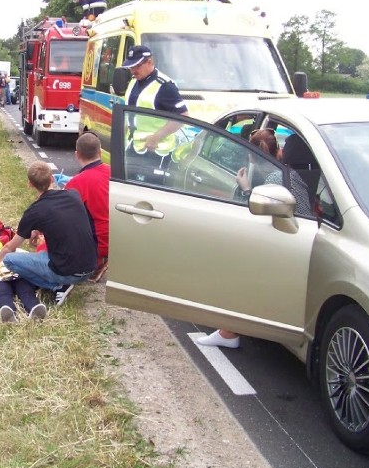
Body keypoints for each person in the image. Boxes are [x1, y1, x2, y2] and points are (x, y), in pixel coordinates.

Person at [198, 129, 311, 349]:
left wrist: (246, 188)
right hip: (298, 236)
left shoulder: (274, 178)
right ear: (278, 150)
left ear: (250, 155)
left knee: (236, 266)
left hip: (287, 240)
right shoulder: (287, 173)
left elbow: (260, 213)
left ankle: (228, 332)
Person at [0, 160, 97, 318]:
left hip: (67, 271)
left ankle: (57, 286)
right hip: (90, 267)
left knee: (10, 260)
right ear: (52, 178)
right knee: (42, 255)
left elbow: (9, 248)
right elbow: (62, 220)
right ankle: (62, 282)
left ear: (30, 184)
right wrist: (37, 229)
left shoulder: (35, 211)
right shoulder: (73, 195)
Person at [120, 45, 188, 185]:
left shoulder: (165, 86)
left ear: (149, 62)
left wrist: (156, 137)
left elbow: (183, 116)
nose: (133, 71)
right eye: (131, 67)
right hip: (133, 146)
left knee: (150, 191)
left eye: (137, 66)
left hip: (156, 150)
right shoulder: (133, 82)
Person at [65, 132, 110, 282]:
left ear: (77, 154)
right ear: (100, 151)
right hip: (119, 239)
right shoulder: (114, 173)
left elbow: (63, 220)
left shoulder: (75, 183)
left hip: (99, 244)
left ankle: (95, 262)